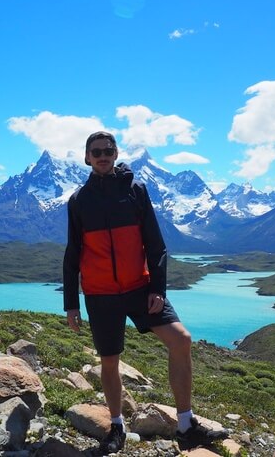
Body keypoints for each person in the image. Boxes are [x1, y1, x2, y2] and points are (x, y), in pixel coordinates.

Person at [62, 131, 228, 454]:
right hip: (101, 294)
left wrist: (158, 288)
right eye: (96, 151)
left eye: (108, 150)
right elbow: (73, 254)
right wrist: (71, 304)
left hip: (140, 288)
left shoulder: (135, 191)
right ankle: (116, 427)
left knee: (181, 340)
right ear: (87, 157)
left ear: (115, 152)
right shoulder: (79, 202)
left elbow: (156, 244)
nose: (103, 155)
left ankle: (185, 424)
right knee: (109, 362)